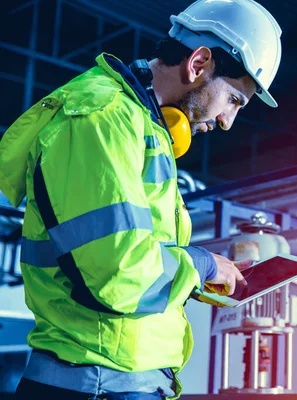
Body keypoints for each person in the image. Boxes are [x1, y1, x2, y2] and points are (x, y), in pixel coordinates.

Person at [0, 0, 282, 399]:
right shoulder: (99, 119)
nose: (227, 121)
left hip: (120, 380)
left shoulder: (141, 128)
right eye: (234, 99)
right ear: (199, 63)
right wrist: (200, 265)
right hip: (96, 384)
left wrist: (201, 279)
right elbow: (118, 272)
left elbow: (132, 256)